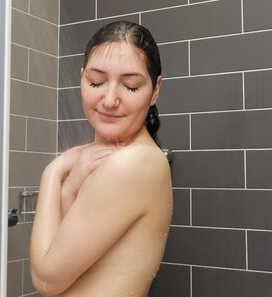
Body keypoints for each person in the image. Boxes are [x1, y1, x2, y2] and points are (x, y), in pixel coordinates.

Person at [30, 21, 173, 296]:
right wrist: (71, 186)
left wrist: (52, 172)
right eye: (96, 82)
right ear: (82, 78)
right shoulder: (111, 160)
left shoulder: (132, 164)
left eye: (130, 86)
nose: (109, 100)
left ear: (155, 90)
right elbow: (68, 249)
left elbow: (47, 279)